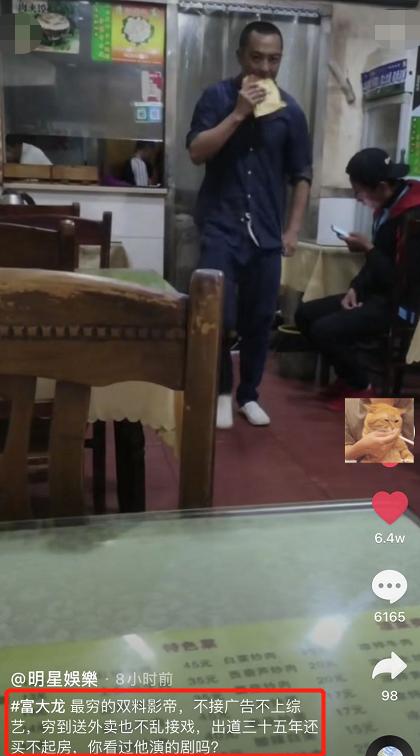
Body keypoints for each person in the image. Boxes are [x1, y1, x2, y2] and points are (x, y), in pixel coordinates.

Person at [186, 21, 312, 429]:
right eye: (257, 57)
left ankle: (249, 395)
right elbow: (196, 152)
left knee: (259, 320)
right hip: (221, 227)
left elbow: (301, 175)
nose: (265, 67)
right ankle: (222, 391)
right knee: (218, 317)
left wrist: (292, 230)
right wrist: (238, 113)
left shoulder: (291, 112)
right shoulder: (217, 97)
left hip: (267, 234)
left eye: (274, 59)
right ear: (241, 56)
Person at [295, 147, 420, 411]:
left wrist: (368, 249)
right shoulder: (388, 208)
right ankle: (351, 380)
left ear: (382, 186)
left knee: (325, 329)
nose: (357, 199)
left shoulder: (413, 216)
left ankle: (363, 390)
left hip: (402, 304)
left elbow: (400, 280)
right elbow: (377, 265)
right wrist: (356, 288)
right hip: (378, 295)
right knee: (305, 314)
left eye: (359, 192)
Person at [345, 397, 414, 462]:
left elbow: (406, 449)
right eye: (386, 420)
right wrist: (360, 449)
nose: (393, 426)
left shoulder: (409, 402)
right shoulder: (348, 404)